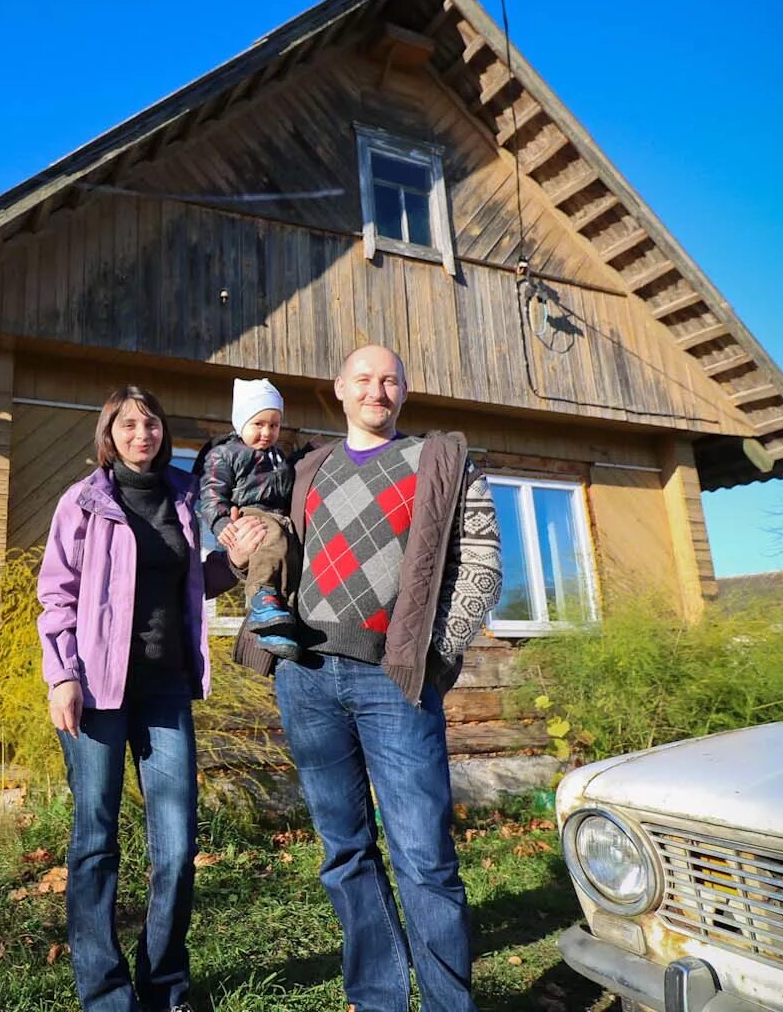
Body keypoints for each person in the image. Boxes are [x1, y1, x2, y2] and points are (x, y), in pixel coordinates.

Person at [221, 344, 503, 1012]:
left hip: (394, 681)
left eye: (390, 380)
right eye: (364, 379)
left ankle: (446, 1004)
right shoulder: (306, 469)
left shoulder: (442, 461)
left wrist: (435, 655)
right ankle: (378, 998)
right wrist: (243, 551)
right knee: (344, 851)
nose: (378, 389)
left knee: (424, 856)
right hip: (307, 678)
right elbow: (273, 553)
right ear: (340, 389)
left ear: (404, 391)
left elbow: (483, 565)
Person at [37, 384, 267, 1012]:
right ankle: (107, 993)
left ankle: (165, 985)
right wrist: (62, 675)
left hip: (166, 690)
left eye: (153, 424)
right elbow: (56, 596)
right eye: (130, 425)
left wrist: (239, 561)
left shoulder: (186, 496)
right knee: (95, 843)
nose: (143, 434)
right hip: (96, 694)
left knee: (175, 845)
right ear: (109, 434)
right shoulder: (83, 503)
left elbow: (201, 579)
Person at [196, 377, 302, 658]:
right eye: (258, 424)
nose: (267, 432)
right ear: (241, 422)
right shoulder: (226, 453)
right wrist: (220, 523)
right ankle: (262, 597)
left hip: (277, 516)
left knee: (287, 553)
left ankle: (275, 623)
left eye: (274, 425)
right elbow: (211, 492)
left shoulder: (278, 457)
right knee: (273, 540)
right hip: (251, 514)